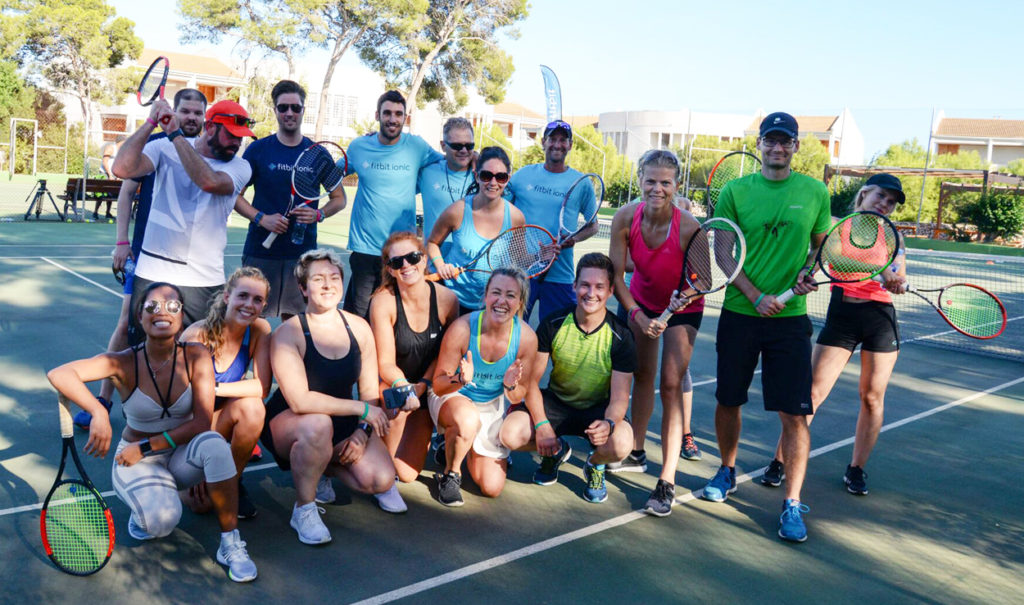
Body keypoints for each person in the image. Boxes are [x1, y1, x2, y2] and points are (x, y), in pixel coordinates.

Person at [47, 282, 258, 582]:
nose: (163, 312)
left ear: (182, 315)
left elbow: (201, 422)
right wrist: (97, 411)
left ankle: (230, 544)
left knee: (215, 445)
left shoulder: (197, 355)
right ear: (140, 317)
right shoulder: (123, 361)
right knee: (162, 522)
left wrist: (147, 445)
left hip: (173, 454)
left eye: (173, 306)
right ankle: (146, 507)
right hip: (135, 461)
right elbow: (59, 374)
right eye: (152, 307)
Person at [700, 112, 831, 543]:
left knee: (794, 414)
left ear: (796, 146)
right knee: (728, 400)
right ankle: (727, 470)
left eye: (786, 141)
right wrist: (755, 295)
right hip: (740, 313)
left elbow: (820, 248)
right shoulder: (737, 191)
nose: (778, 148)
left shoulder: (815, 191)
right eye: (770, 141)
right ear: (760, 144)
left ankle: (792, 503)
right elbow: (722, 250)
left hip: (790, 321)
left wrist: (808, 274)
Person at [759, 173, 907, 496]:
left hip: (880, 318)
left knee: (871, 397)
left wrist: (896, 281)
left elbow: (899, 273)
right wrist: (883, 272)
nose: (885, 205)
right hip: (842, 315)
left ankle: (856, 469)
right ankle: (780, 461)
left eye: (892, 202)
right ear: (864, 193)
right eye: (881, 196)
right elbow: (833, 257)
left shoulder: (893, 235)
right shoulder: (840, 225)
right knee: (810, 394)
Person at [76, 90, 208, 430]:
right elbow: (126, 192)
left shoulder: (209, 151)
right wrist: (122, 241)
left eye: (197, 112)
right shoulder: (154, 146)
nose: (192, 117)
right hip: (148, 254)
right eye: (186, 111)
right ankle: (103, 399)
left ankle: (189, 406)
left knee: (195, 336)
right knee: (127, 323)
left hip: (194, 266)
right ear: (175, 112)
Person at [261, 249, 395, 543]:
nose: (327, 285)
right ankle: (304, 508)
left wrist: (362, 432)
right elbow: (300, 401)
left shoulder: (359, 327)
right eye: (317, 279)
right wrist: (361, 409)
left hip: (344, 419)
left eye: (334, 278)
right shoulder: (288, 332)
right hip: (292, 421)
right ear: (302, 288)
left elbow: (371, 390)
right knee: (318, 424)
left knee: (381, 479)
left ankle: (320, 467)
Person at [607, 149, 705, 516]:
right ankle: (636, 452)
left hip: (684, 309)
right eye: (651, 181)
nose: (657, 189)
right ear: (639, 180)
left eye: (666, 182)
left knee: (670, 384)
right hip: (640, 302)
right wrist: (637, 314)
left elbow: (703, 280)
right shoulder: (624, 217)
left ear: (676, 185)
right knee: (641, 376)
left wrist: (687, 294)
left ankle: (667, 481)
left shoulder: (690, 226)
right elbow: (617, 276)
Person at [112, 97, 254, 333]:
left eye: (240, 137)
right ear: (209, 128)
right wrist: (150, 122)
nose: (237, 142)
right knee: (145, 355)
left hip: (204, 281)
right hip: (152, 274)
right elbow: (121, 169)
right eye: (231, 135)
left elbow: (209, 182)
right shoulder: (162, 147)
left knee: (199, 356)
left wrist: (174, 134)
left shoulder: (240, 166)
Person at [501, 253, 635, 504]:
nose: (590, 293)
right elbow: (531, 382)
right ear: (574, 286)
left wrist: (609, 423)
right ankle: (556, 451)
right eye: (584, 285)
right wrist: (541, 426)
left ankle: (595, 465)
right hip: (557, 403)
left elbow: (619, 398)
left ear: (610, 291)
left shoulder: (621, 335)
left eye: (599, 287)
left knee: (623, 443)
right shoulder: (553, 323)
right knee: (510, 433)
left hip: (597, 410)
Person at [235, 80, 347, 319]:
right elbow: (235, 196)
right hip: (260, 252)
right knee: (254, 322)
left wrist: (319, 214)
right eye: (283, 107)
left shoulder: (318, 154)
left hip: (303, 254)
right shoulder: (258, 150)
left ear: (303, 110)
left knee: (296, 325)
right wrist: (261, 218)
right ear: (274, 110)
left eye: (295, 108)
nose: (289, 113)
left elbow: (339, 198)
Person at [430, 268, 538, 506]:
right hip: (454, 395)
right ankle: (451, 474)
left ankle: (460, 444)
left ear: (520, 302)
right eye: (496, 292)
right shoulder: (462, 329)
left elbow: (520, 395)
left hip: (491, 404)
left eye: (511, 295)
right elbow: (438, 386)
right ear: (486, 296)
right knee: (467, 419)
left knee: (491, 487)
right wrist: (460, 380)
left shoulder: (526, 338)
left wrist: (510, 386)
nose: (502, 301)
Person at [368, 232, 460, 498]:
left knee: (407, 475)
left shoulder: (446, 300)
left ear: (423, 261)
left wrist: (423, 387)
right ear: (390, 269)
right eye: (397, 263)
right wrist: (406, 388)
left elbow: (446, 357)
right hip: (396, 384)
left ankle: (432, 434)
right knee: (395, 404)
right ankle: (371, 436)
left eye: (412, 258)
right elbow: (385, 362)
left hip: (429, 386)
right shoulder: (383, 302)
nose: (406, 266)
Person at [342, 90, 444, 317]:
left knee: (396, 317)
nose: (393, 119)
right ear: (377, 115)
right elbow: (332, 173)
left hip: (401, 253)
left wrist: (475, 158)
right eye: (387, 113)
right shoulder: (359, 146)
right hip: (365, 249)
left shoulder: (417, 146)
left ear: (405, 118)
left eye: (398, 114)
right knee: (358, 317)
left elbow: (448, 163)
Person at [181, 267, 273, 519]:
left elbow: (261, 387)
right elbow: (181, 401)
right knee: (202, 505)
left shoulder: (259, 330)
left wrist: (214, 387)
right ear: (226, 297)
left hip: (221, 417)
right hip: (190, 422)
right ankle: (187, 473)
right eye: (242, 296)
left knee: (253, 407)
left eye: (257, 300)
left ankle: (231, 481)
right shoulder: (196, 335)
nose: (249, 305)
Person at [507, 120, 599, 321]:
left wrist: (573, 239)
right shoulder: (523, 175)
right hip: (522, 272)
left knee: (556, 339)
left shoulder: (581, 182)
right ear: (543, 142)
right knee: (512, 333)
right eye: (552, 139)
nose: (557, 144)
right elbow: (500, 208)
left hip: (560, 276)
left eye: (563, 140)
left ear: (570, 145)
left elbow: (593, 226)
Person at [427, 146, 526, 314]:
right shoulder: (457, 211)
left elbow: (520, 260)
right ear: (476, 176)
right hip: (452, 301)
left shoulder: (516, 218)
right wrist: (441, 265)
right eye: (486, 176)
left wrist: (543, 255)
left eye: (500, 177)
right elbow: (432, 243)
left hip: (491, 306)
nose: (493, 183)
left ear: (507, 179)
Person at [418, 117, 476, 252]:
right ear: (443, 145)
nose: (464, 150)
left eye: (469, 146)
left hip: (468, 267)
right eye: (457, 146)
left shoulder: (484, 177)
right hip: (433, 264)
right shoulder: (427, 172)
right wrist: (377, 140)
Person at [94, 135, 126, 221]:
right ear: (120, 142)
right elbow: (105, 162)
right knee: (101, 193)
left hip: (115, 174)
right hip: (105, 173)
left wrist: (118, 176)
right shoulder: (110, 148)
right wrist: (109, 175)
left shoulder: (122, 151)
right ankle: (95, 212)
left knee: (111, 193)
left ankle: (107, 212)